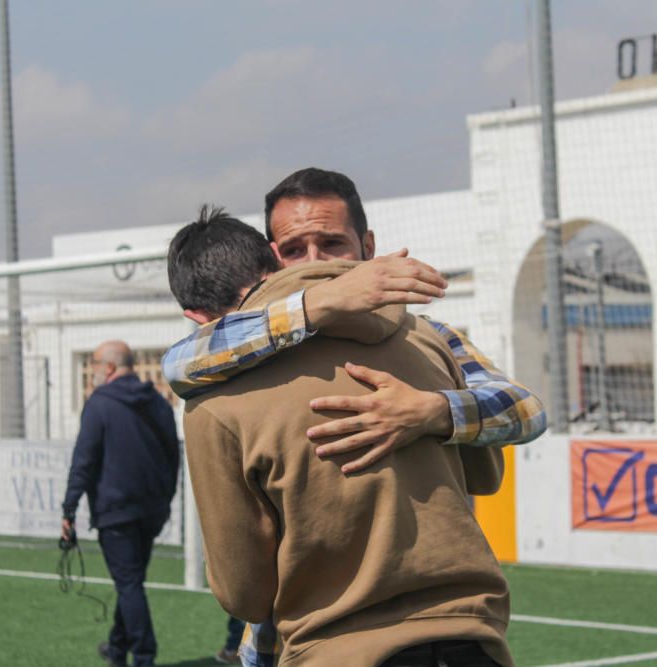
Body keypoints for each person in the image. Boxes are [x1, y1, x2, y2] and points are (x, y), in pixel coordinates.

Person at [170, 208, 513, 667]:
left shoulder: (213, 405)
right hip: (472, 639)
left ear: (196, 317)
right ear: (272, 264)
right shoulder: (425, 339)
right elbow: (487, 474)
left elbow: (246, 594)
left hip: (340, 649)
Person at [163, 167, 545, 471]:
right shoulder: (257, 338)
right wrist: (320, 303)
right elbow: (179, 364)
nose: (314, 262)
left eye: (331, 244)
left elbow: (526, 410)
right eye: (296, 250)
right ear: (275, 258)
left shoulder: (427, 334)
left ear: (368, 247)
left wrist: (434, 411)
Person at [60, 341, 179, 667]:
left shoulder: (99, 404)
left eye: (94, 363)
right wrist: (166, 499)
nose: (92, 370)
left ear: (109, 368)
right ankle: (116, 647)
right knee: (132, 582)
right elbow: (174, 456)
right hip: (152, 510)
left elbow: (83, 460)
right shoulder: (157, 401)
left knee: (129, 585)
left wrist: (68, 509)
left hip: (116, 512)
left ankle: (143, 656)